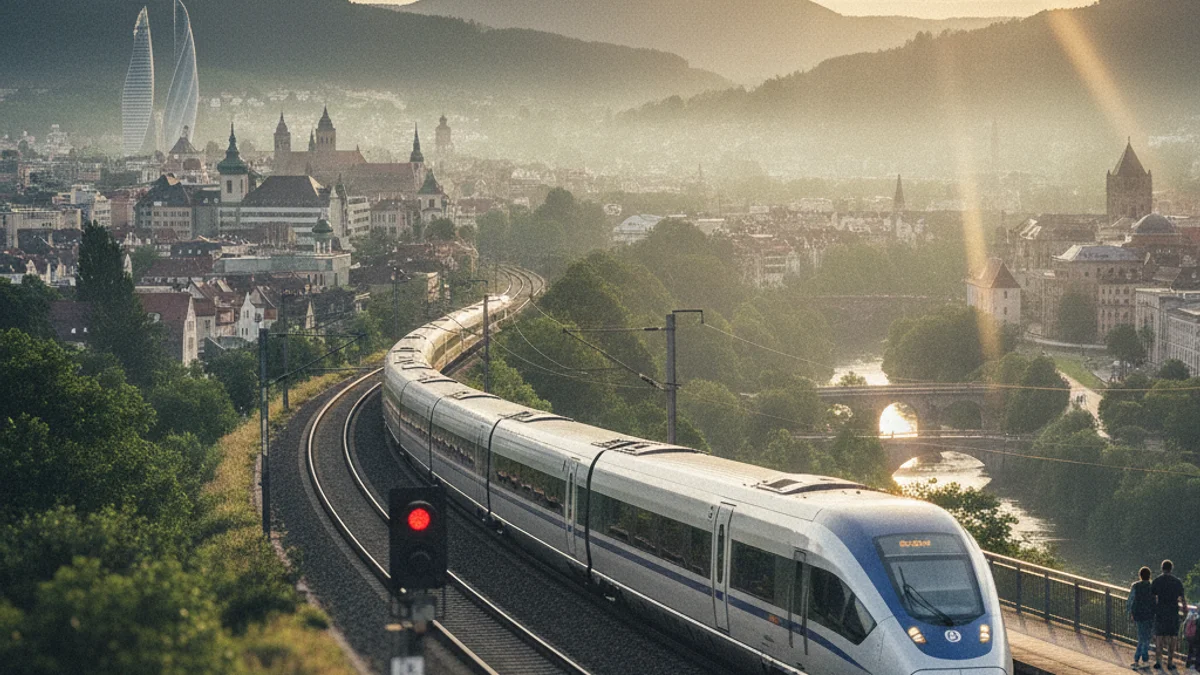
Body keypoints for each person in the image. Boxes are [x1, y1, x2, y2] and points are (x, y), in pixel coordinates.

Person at [1151, 560, 1187, 671]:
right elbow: (1182, 599)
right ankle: (1170, 662)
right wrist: (1185, 612)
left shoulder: (1157, 581)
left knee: (1159, 637)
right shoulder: (1177, 582)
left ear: (1162, 568)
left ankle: (1158, 661)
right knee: (1172, 637)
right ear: (1171, 569)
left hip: (1160, 611)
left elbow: (1152, 597)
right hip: (1173, 612)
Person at [1129, 567, 1155, 669]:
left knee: (1141, 637)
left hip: (1138, 615)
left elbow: (1131, 601)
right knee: (1146, 638)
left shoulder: (1135, 586)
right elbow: (1154, 601)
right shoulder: (1152, 587)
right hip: (1149, 615)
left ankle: (1137, 660)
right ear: (1149, 576)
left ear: (1140, 575)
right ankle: (1144, 660)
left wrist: (1131, 613)